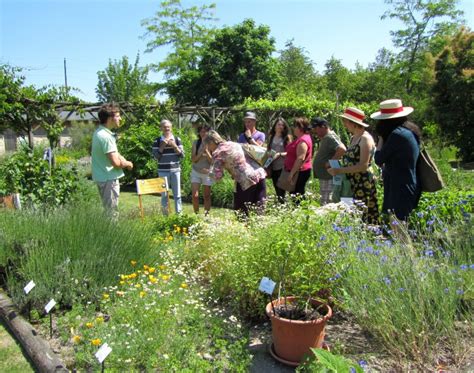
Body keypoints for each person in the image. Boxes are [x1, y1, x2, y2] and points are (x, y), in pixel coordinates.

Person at [327, 107, 379, 225]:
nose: (344, 124)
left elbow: (363, 166)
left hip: (362, 183)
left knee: (363, 215)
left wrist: (339, 170)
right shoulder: (353, 138)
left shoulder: (365, 138)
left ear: (353, 123)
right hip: (351, 182)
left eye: (346, 121)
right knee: (350, 214)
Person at [371, 99, 421, 221]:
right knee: (399, 224)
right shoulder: (409, 131)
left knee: (397, 226)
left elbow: (378, 159)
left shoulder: (396, 135)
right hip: (405, 184)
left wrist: (381, 140)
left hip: (399, 187)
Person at [204, 130, 267, 216]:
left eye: (208, 145)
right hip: (259, 174)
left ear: (212, 142)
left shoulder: (218, 152)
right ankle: (260, 228)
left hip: (246, 180)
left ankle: (245, 228)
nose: (208, 148)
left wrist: (208, 172)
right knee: (260, 210)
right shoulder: (233, 143)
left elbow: (217, 176)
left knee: (241, 212)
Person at [91, 103, 133, 217]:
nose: (120, 118)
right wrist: (127, 163)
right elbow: (115, 163)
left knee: (108, 210)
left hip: (102, 177)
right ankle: (112, 234)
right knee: (112, 213)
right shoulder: (106, 137)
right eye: (118, 116)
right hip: (109, 179)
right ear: (110, 118)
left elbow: (113, 153)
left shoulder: (99, 132)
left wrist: (121, 157)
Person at [235, 111, 267, 213]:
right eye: (246, 122)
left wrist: (249, 138)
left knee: (258, 197)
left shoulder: (260, 135)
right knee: (244, 196)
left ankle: (258, 216)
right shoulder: (241, 136)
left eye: (249, 122)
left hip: (256, 169)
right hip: (244, 170)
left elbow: (259, 151)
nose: (247, 124)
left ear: (254, 122)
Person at [311, 117, 346, 205]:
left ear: (324, 126)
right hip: (325, 176)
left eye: (316, 128)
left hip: (329, 176)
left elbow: (342, 149)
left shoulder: (330, 137)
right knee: (325, 199)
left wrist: (331, 162)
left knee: (328, 201)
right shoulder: (326, 138)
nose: (315, 131)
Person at [152, 119, 184, 214]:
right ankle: (165, 217)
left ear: (171, 128)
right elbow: (155, 157)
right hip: (162, 171)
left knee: (177, 194)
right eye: (164, 127)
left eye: (168, 127)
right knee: (164, 195)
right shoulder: (157, 141)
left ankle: (179, 216)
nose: (167, 128)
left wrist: (174, 146)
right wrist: (162, 146)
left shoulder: (177, 139)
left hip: (175, 170)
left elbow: (182, 156)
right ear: (161, 128)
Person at [283, 117, 313, 199]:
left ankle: (300, 211)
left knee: (297, 195)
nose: (293, 128)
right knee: (296, 195)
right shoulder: (301, 138)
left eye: (295, 126)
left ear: (301, 128)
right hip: (298, 172)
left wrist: (291, 174)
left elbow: (300, 158)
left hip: (299, 172)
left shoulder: (303, 140)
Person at [267, 117, 292, 202]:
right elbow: (268, 151)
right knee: (277, 189)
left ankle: (283, 207)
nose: (280, 126)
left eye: (282, 125)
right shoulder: (271, 137)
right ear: (275, 126)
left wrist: (280, 154)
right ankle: (281, 207)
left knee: (282, 190)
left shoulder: (286, 138)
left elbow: (291, 153)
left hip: (283, 167)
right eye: (279, 124)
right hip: (273, 167)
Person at [191, 124, 213, 215]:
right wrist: (201, 152)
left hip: (207, 173)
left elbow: (212, 161)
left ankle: (206, 215)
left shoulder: (212, 143)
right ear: (199, 133)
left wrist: (207, 151)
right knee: (195, 196)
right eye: (201, 131)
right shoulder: (196, 143)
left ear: (209, 133)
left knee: (207, 196)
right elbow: (193, 160)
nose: (203, 133)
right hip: (196, 172)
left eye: (205, 131)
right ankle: (196, 215)